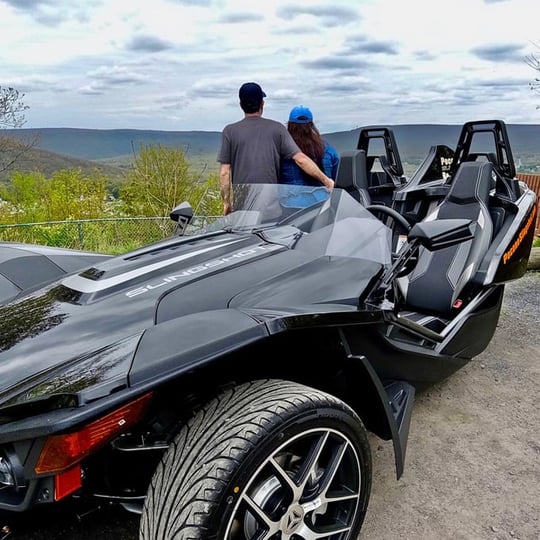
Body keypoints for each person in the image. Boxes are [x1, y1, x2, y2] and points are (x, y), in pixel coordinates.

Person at [218, 82, 334, 215]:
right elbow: (301, 159)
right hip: (271, 210)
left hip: (242, 210)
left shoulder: (229, 131)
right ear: (262, 104)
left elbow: (224, 172)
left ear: (241, 105)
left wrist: (226, 202)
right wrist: (327, 181)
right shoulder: (277, 128)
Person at [280, 105, 340, 186]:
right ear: (311, 125)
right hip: (323, 198)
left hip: (291, 198)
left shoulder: (282, 151)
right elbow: (336, 179)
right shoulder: (328, 150)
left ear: (290, 125)